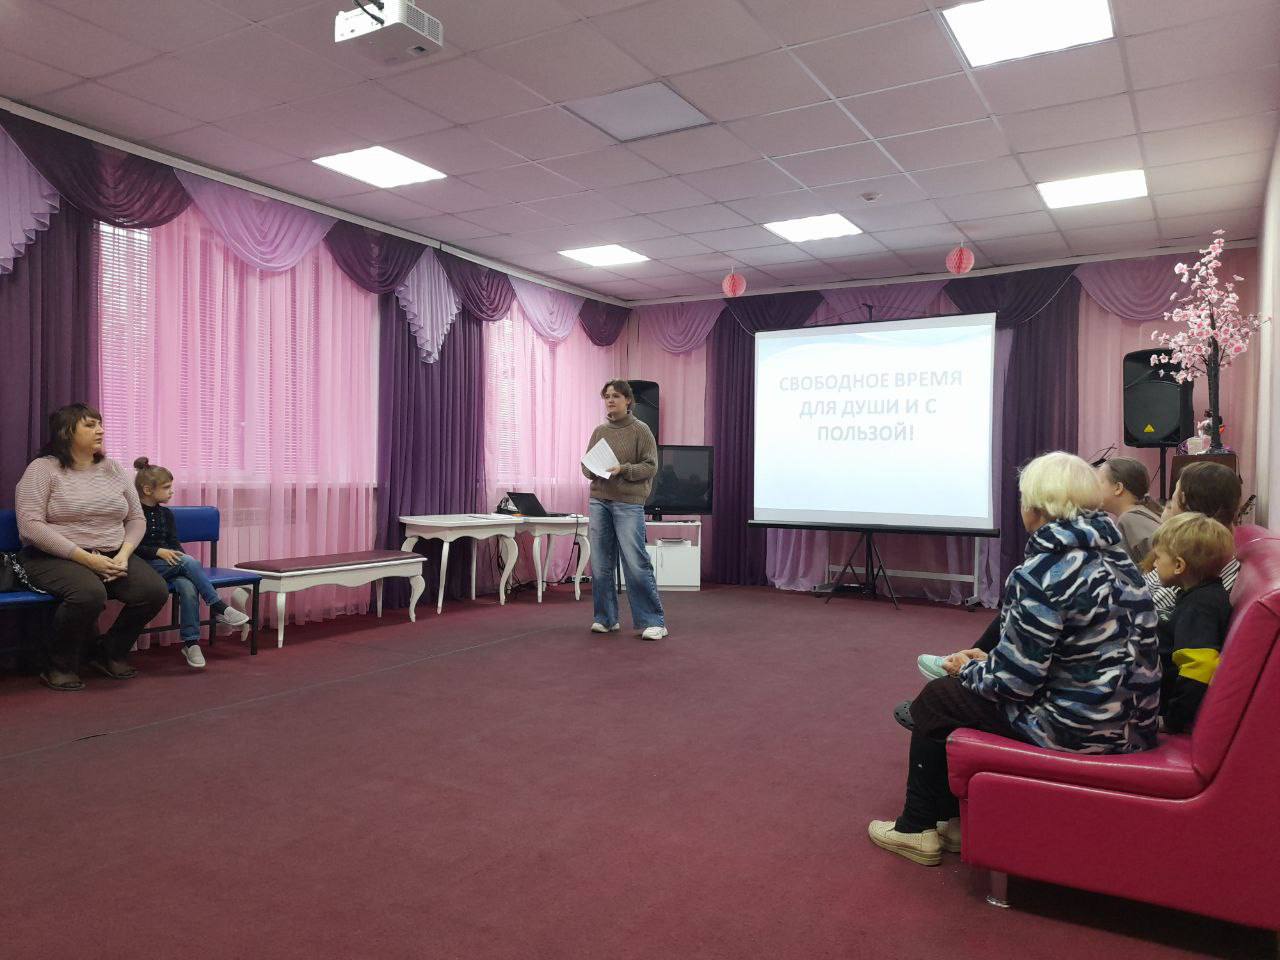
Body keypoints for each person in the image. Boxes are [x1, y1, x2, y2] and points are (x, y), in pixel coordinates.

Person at [868, 452, 1160, 865]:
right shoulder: (1120, 560)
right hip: (1133, 724)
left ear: (1035, 508)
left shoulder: (1043, 571)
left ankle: (915, 829)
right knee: (956, 694)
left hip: (1080, 730)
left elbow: (1014, 684)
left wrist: (970, 668)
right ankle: (953, 824)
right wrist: (990, 661)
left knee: (939, 698)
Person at [15, 404, 169, 690]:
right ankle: (58, 664)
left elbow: (136, 519)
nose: (100, 430)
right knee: (89, 594)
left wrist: (123, 555)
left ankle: (108, 652)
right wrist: (87, 559)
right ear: (66, 431)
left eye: (100, 424)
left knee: (153, 591)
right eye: (89, 425)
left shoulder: (113, 469)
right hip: (53, 556)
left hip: (111, 553)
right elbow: (30, 526)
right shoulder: (42, 469)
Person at [133, 457, 249, 669]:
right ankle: (218, 606)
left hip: (169, 566)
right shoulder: (133, 513)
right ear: (148, 490)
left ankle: (191, 643)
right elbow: (130, 546)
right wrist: (158, 552)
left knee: (188, 585)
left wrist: (183, 563)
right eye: (166, 487)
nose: (171, 492)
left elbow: (174, 543)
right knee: (189, 562)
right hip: (144, 567)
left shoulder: (166, 514)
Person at [580, 380, 667, 641]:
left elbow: (650, 467)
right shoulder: (599, 431)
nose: (610, 400)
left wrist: (623, 469)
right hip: (599, 500)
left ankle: (654, 621)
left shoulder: (641, 430)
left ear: (628, 400)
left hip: (628, 503)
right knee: (600, 563)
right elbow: (586, 467)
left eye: (616, 396)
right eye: (606, 396)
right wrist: (592, 469)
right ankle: (606, 618)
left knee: (635, 562)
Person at [1147, 512, 1234, 733]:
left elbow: (1199, 667)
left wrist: (1172, 720)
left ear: (1179, 565)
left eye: (1158, 557)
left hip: (1165, 707)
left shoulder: (1199, 607)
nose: (1154, 564)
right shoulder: (1202, 594)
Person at [1146, 461, 1242, 619]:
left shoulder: (1193, 568)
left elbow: (1143, 609)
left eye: (1173, 495)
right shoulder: (1217, 551)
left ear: (1183, 499)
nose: (1169, 504)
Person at [1098, 457, 1162, 563]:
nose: (1093, 487)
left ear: (1118, 488)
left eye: (1099, 482)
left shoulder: (1132, 519)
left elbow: (1163, 560)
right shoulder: (1134, 516)